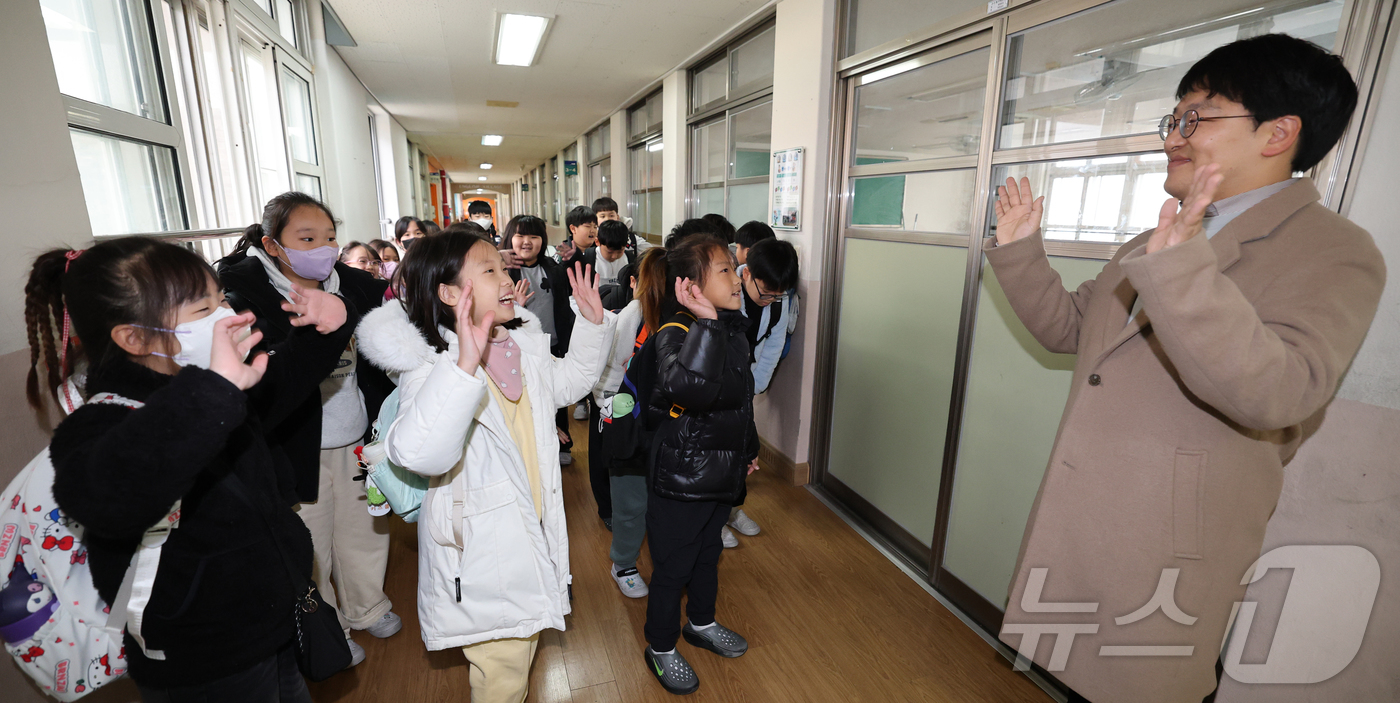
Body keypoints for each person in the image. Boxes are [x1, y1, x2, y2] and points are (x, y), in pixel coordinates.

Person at [988, 35, 1384, 703]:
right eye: (1174, 118)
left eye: (1197, 116)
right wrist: (1023, 252)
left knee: (1142, 683)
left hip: (1168, 537)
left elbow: (1281, 391)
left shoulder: (1336, 252)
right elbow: (1072, 329)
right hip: (1086, 516)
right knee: (1067, 678)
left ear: (1278, 133)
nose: (1174, 135)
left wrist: (1180, 270)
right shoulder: (1156, 238)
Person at [32, 237, 352, 701]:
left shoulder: (213, 384)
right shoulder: (104, 421)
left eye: (222, 299)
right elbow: (111, 498)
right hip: (204, 658)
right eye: (204, 311)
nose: (229, 316)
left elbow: (284, 377)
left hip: (271, 624)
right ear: (133, 337)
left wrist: (330, 323)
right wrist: (216, 391)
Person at [355, 230, 614, 703]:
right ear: (451, 294)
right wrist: (463, 369)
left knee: (517, 662)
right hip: (482, 553)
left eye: (503, 266)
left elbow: (566, 385)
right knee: (502, 676)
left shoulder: (517, 346)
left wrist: (593, 327)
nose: (507, 277)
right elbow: (417, 453)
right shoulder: (432, 369)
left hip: (529, 529)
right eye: (490, 269)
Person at [218, 193, 402, 667]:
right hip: (297, 442)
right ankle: (331, 624)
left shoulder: (357, 286)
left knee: (364, 529)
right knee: (312, 540)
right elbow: (271, 380)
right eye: (306, 238)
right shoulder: (246, 295)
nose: (322, 247)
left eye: (329, 237)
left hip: (357, 430)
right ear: (273, 245)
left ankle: (368, 605)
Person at [639, 233, 759, 696]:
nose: (737, 276)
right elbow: (688, 390)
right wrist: (706, 324)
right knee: (673, 565)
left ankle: (701, 624)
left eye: (734, 266)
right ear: (690, 286)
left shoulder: (731, 329)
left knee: (708, 555)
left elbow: (741, 403)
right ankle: (660, 645)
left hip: (720, 471)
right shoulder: (676, 331)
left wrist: (747, 451)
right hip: (681, 475)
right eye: (725, 270)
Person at [719, 236, 800, 548]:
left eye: (777, 296)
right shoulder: (725, 292)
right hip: (715, 386)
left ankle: (732, 511)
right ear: (747, 274)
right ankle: (713, 521)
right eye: (764, 294)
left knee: (741, 454)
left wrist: (754, 387)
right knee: (716, 457)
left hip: (744, 385)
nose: (770, 301)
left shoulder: (780, 299)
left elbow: (773, 348)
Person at [590, 259, 649, 597]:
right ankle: (623, 563)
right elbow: (607, 372)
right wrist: (613, 410)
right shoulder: (632, 315)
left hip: (661, 426)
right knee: (629, 500)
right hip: (628, 425)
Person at [504, 215, 579, 467]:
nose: (527, 242)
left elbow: (567, 302)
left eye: (534, 236)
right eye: (520, 236)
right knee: (524, 396)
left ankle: (562, 443)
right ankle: (528, 446)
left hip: (552, 344)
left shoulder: (553, 268)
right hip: (517, 346)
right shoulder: (503, 270)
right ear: (509, 239)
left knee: (555, 396)